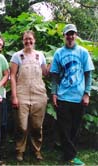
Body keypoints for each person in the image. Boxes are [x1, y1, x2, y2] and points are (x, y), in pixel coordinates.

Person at [50, 24, 95, 165]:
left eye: (72, 34)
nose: (70, 37)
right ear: (64, 36)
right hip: (63, 96)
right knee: (64, 128)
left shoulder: (83, 52)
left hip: (79, 97)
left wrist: (87, 93)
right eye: (68, 34)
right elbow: (54, 76)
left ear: (76, 35)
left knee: (75, 128)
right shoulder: (59, 53)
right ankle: (71, 156)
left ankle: (67, 154)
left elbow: (89, 75)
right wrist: (54, 94)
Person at [10, 30, 48, 161]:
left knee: (37, 125)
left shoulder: (40, 55)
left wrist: (55, 60)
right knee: (22, 125)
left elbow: (45, 73)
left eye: (30, 39)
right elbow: (13, 77)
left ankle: (37, 150)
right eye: (25, 39)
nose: (28, 41)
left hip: (39, 93)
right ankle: (20, 150)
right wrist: (14, 96)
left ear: (34, 40)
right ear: (22, 41)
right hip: (22, 93)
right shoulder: (17, 56)